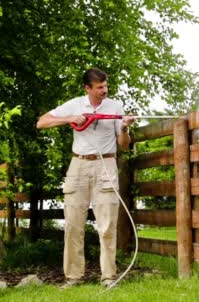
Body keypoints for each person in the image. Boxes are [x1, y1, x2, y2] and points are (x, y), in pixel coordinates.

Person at [37, 68, 135, 288]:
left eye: (106, 86)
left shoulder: (115, 107)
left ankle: (109, 277)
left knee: (108, 225)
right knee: (73, 225)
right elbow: (41, 122)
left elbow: (124, 144)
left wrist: (125, 128)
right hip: (78, 165)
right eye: (99, 87)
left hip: (106, 164)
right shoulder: (75, 104)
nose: (104, 90)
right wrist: (71, 118)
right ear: (87, 88)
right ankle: (73, 277)